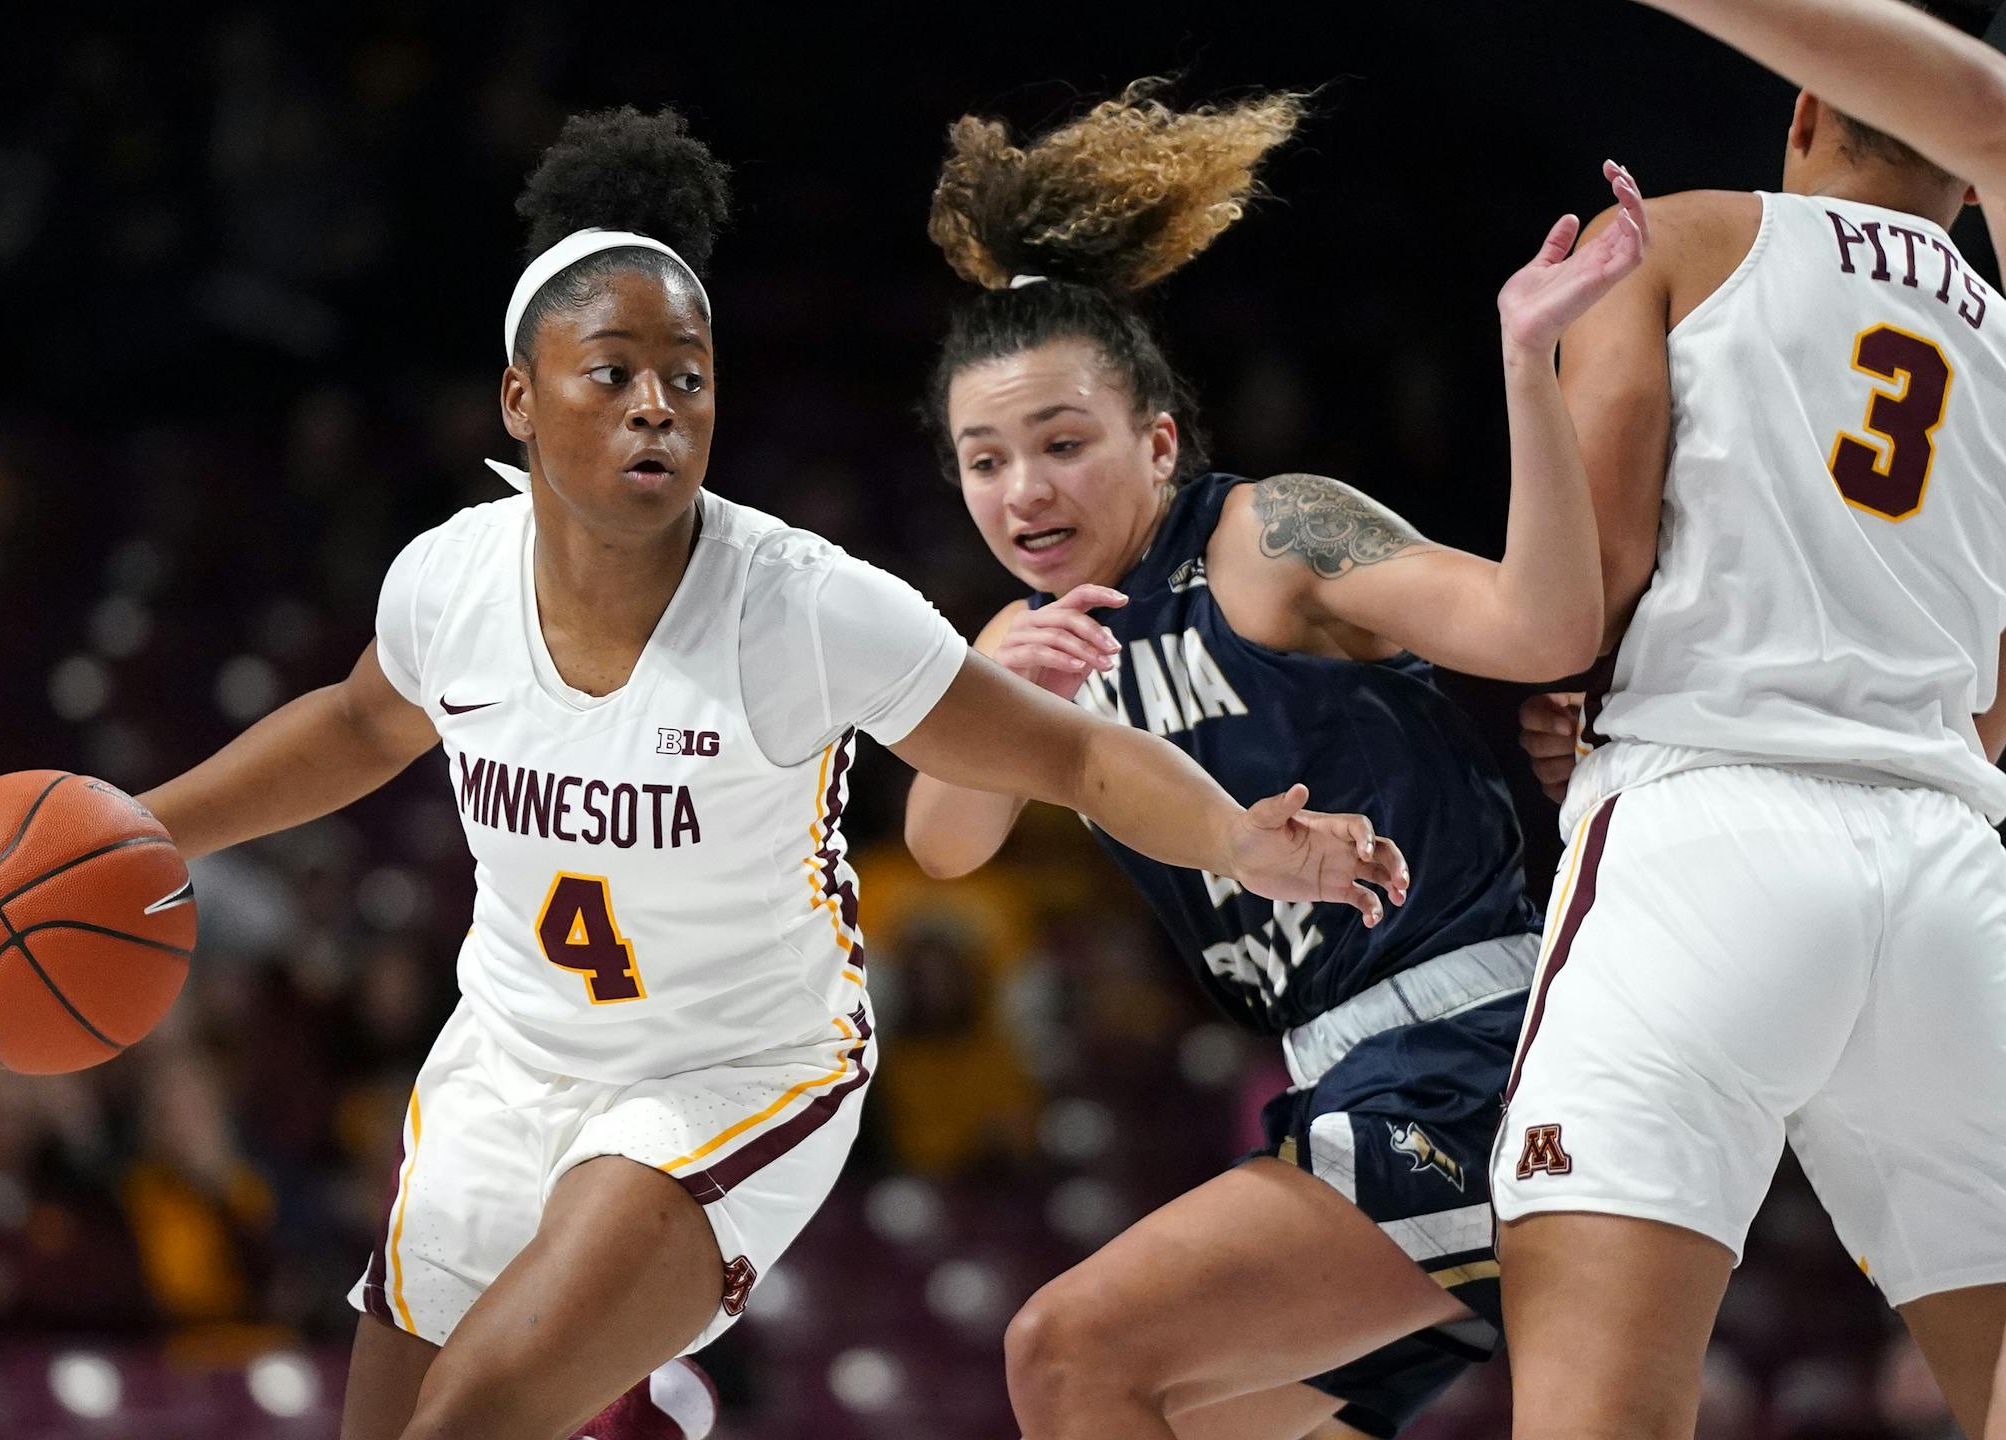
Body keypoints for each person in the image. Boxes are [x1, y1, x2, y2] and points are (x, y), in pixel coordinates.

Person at [129, 107, 1406, 1440]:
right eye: (611, 373)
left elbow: (1077, 750)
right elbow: (354, 726)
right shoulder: (450, 579)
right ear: (519, 395)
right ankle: (645, 1412)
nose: (656, 408)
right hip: (508, 1056)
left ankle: (632, 1396)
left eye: (687, 376)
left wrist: (1241, 842)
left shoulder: (799, 608)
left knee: (474, 1418)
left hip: (734, 1066)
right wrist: (141, 830)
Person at [902, 84, 1644, 1439]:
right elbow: (946, 843)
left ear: (1160, 440)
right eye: (986, 460)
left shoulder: (1269, 539)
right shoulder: (1032, 638)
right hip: (1344, 1083)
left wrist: (1526, 361)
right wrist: (990, 695)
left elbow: (1542, 624)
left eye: (1063, 444)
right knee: (1161, 1411)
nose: (1026, 491)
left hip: (1482, 1047)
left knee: (1069, 1353)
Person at [1488, 2, 2006, 1436]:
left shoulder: (1690, 239)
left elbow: (1590, 577)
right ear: (1969, 175)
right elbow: (1997, 696)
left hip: (1705, 825)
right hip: (1955, 865)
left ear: (1800, 108)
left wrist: (1567, 706)